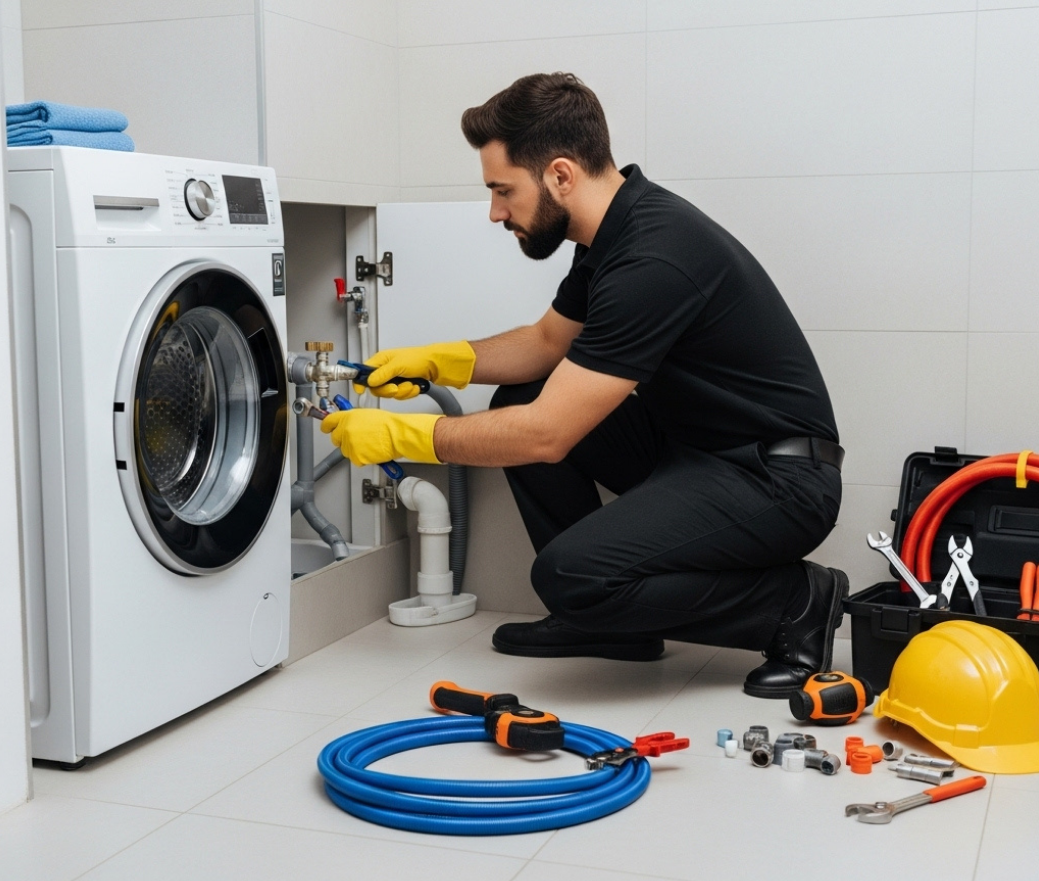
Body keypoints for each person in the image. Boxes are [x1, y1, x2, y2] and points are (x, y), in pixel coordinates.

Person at [321, 72, 847, 698]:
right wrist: (439, 361)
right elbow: (547, 343)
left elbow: (546, 436)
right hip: (696, 452)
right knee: (520, 396)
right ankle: (609, 627)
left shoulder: (653, 257)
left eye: (503, 191)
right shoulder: (610, 234)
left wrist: (404, 436)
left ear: (560, 175)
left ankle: (794, 603)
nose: (495, 213)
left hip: (776, 480)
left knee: (568, 571)